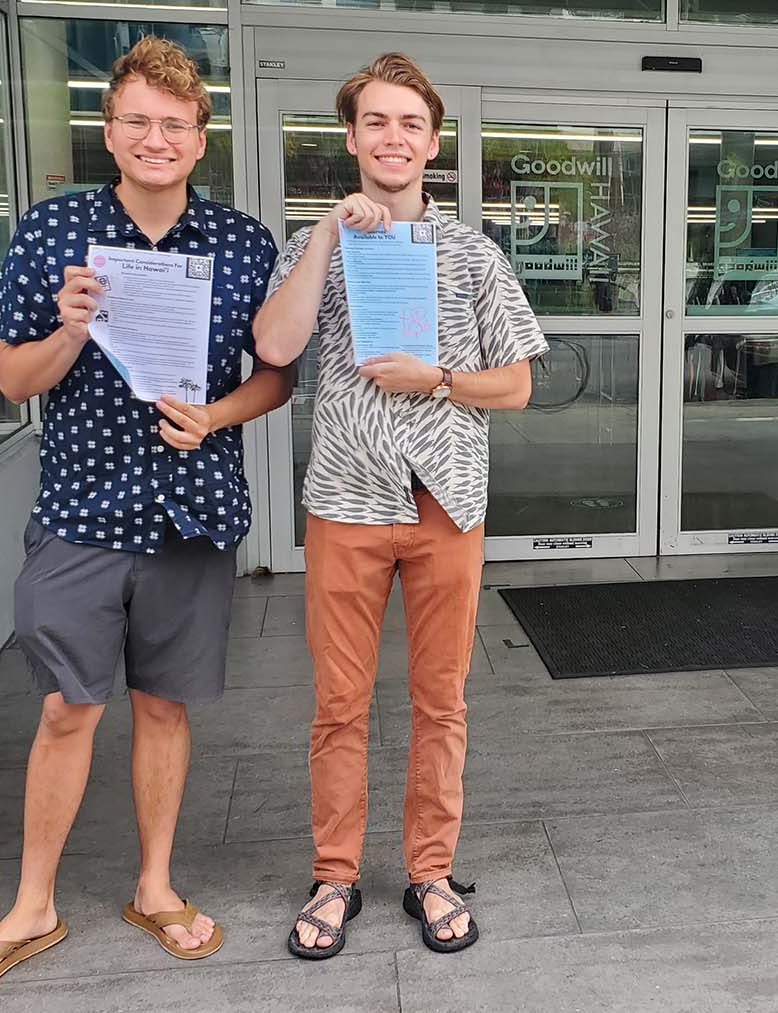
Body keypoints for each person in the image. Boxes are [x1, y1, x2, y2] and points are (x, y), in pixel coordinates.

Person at [0, 36, 291, 999]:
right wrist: (72, 327)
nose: (156, 138)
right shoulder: (53, 234)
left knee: (165, 705)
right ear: (109, 131)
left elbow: (275, 376)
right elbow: (13, 381)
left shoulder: (243, 242)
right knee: (66, 707)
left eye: (175, 124)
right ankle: (33, 902)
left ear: (201, 139)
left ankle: (155, 885)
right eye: (138, 121)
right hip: (83, 509)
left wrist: (215, 414)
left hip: (191, 507)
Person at [253, 52, 546, 958]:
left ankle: (430, 870)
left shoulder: (473, 253)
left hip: (447, 502)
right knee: (339, 701)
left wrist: (440, 378)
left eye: (411, 124)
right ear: (351, 137)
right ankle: (334, 874)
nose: (394, 137)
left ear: (433, 142)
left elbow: (520, 384)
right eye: (376, 122)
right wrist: (322, 241)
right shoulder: (318, 243)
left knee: (442, 698)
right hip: (345, 498)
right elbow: (274, 343)